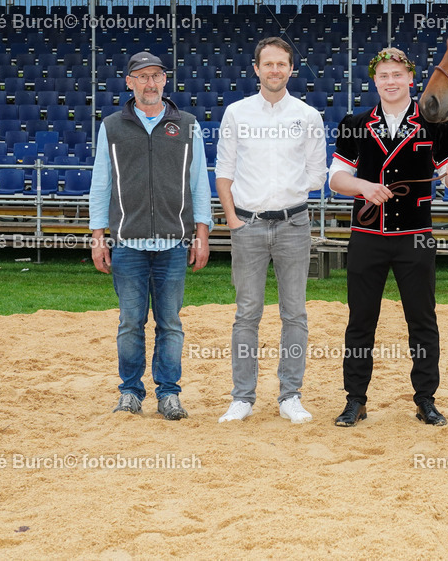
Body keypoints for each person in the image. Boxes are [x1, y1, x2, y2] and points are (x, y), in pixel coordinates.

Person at [329, 47, 448, 428]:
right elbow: (336, 179)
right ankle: (355, 400)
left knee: (422, 320)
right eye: (383, 76)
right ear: (374, 81)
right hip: (367, 235)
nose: (390, 82)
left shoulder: (437, 125)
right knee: (360, 321)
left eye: (397, 75)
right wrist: (364, 186)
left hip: (416, 237)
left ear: (411, 79)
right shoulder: (355, 123)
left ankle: (425, 398)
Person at [90, 51, 212, 420]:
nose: (149, 83)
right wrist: (98, 235)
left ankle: (169, 393)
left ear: (165, 81)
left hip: (174, 244)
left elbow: (200, 183)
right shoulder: (111, 126)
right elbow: (101, 184)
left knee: (171, 323)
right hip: (128, 244)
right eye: (141, 77)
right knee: (130, 322)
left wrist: (202, 232)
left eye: (156, 76)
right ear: (129, 82)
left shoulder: (188, 124)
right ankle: (130, 392)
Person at [214, 37, 327, 424]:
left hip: (294, 224)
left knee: (294, 313)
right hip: (247, 224)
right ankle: (242, 397)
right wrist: (232, 220)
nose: (275, 70)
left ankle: (290, 396)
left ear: (291, 69)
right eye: (268, 64)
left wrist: (285, 189)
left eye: (282, 64)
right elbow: (224, 172)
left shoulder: (309, 117)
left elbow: (317, 175)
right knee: (247, 314)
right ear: (256, 68)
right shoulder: (237, 113)